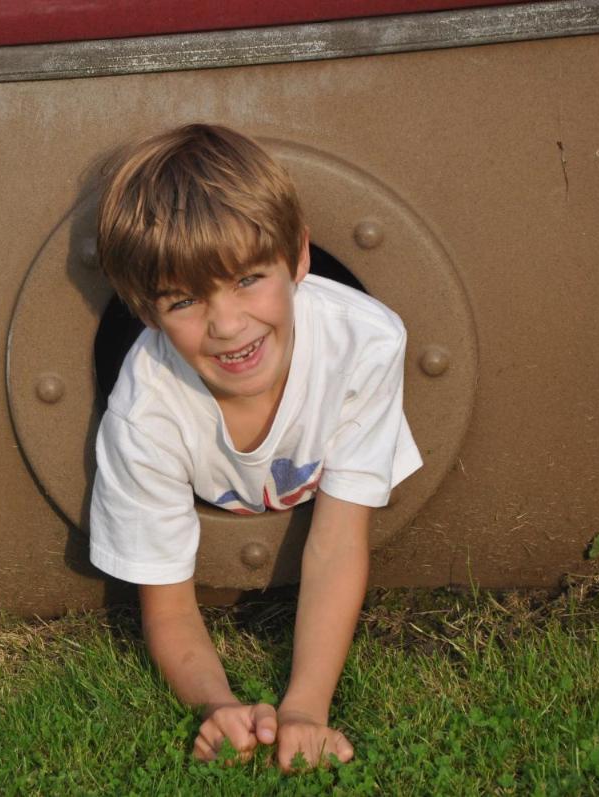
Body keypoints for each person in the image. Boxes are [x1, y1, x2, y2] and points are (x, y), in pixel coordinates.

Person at [89, 123, 422, 770]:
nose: (227, 324)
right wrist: (216, 703)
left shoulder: (363, 343)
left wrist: (305, 707)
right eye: (184, 299)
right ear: (148, 312)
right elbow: (168, 599)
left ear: (299, 257)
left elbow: (336, 539)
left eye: (247, 279)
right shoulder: (146, 409)